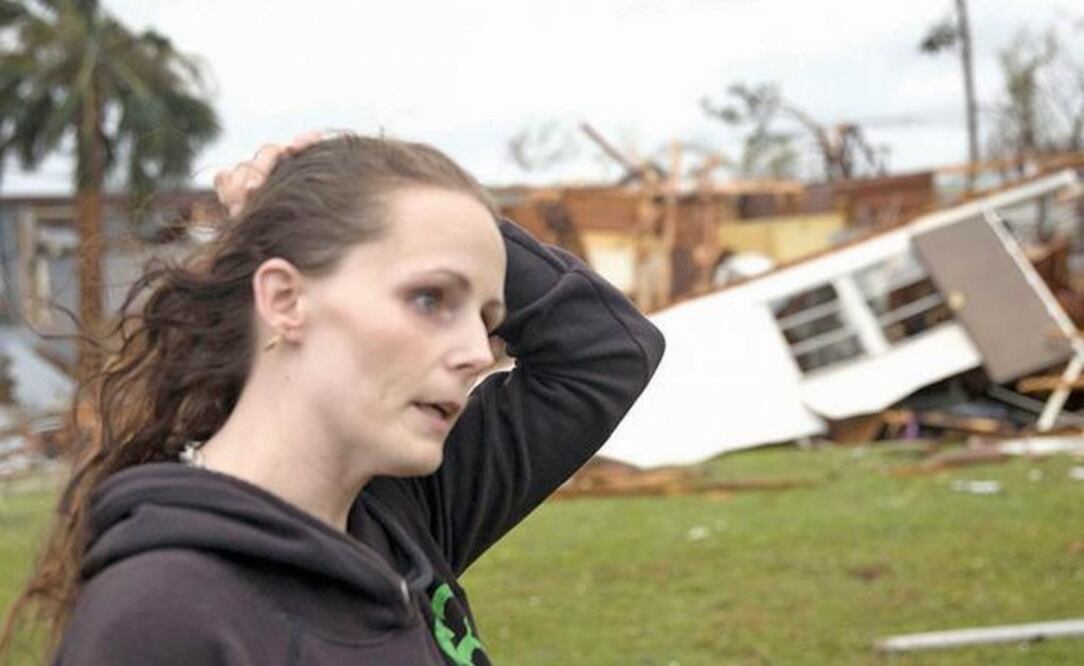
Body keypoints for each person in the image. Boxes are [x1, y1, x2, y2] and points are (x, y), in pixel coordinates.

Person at [2, 133, 664, 665]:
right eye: (430, 298)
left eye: (486, 317)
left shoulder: (399, 513)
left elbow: (606, 350)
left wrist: (434, 215)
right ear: (285, 299)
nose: (476, 350)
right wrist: (371, 202)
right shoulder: (164, 619)